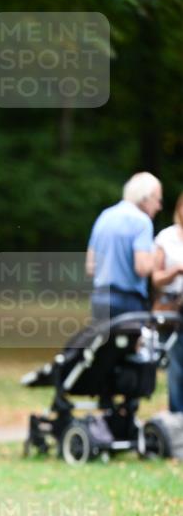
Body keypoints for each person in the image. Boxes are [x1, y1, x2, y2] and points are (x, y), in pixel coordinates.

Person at [86, 172, 162, 319]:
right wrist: (157, 255)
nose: (159, 206)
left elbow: (90, 267)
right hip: (127, 303)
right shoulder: (142, 221)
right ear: (145, 197)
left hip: (99, 299)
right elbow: (142, 268)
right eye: (158, 200)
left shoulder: (105, 216)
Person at [153, 192, 183, 412]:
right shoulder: (166, 237)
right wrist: (176, 271)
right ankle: (177, 418)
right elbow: (156, 278)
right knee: (176, 366)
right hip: (172, 307)